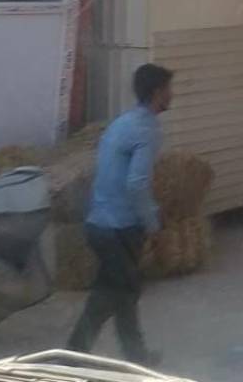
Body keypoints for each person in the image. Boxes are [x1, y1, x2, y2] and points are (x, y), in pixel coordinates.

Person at [66, 64, 173, 365]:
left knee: (124, 293)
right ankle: (68, 359)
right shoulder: (147, 129)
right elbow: (137, 183)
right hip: (119, 227)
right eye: (168, 89)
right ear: (156, 93)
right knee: (110, 296)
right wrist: (152, 223)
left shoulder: (123, 122)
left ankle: (135, 358)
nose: (171, 94)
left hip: (99, 222)